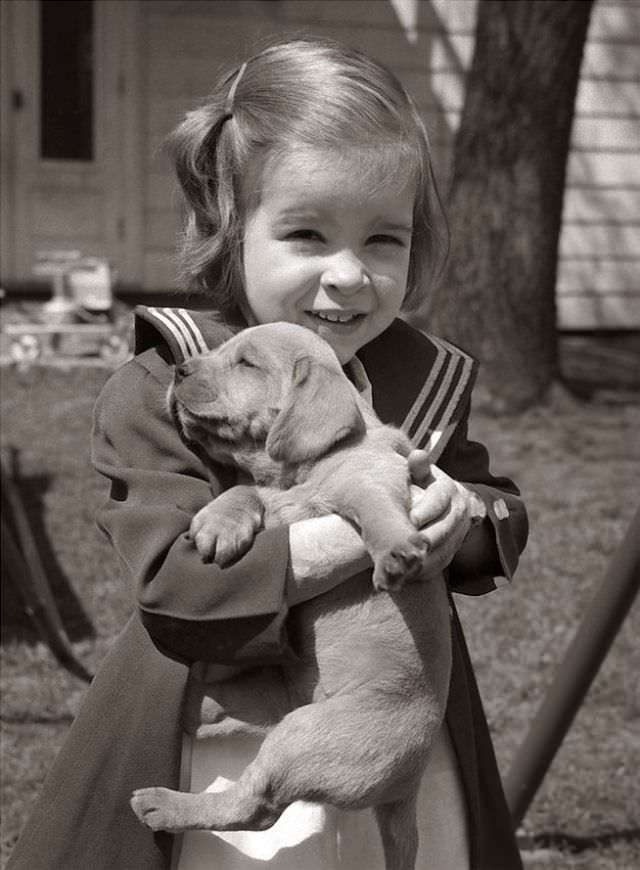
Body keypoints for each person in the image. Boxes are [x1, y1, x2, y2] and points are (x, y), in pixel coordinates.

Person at [8, 37, 528, 870]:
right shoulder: (171, 383)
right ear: (229, 227)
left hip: (382, 716)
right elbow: (175, 583)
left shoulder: (422, 377)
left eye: (384, 241)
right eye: (307, 233)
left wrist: (459, 519)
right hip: (201, 718)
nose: (349, 275)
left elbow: (498, 510)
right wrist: (351, 534)